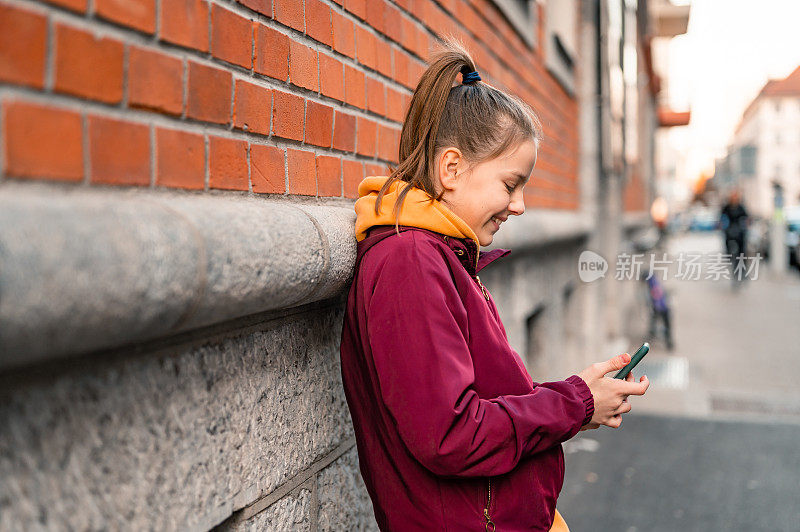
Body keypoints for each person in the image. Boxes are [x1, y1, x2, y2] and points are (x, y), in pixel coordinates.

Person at [339, 40, 649, 532]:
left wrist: (578, 398)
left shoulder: (436, 255)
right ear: (452, 170)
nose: (520, 205)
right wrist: (573, 402)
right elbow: (450, 435)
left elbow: (477, 403)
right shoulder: (411, 262)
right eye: (511, 184)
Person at [720, 189, 749, 281]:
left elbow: (746, 218)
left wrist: (745, 225)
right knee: (728, 244)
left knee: (742, 250)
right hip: (729, 231)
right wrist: (723, 226)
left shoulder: (741, 208)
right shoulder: (727, 207)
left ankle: (742, 271)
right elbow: (722, 218)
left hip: (740, 231)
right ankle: (729, 256)